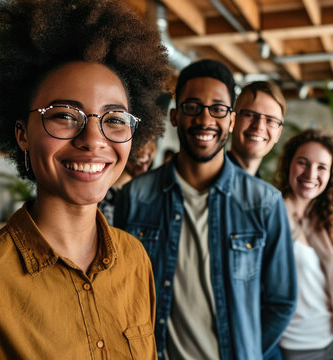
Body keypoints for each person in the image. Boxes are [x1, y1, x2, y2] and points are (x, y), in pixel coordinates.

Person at [0, 0, 170, 358]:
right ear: (21, 134)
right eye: (64, 115)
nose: (93, 139)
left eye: (114, 119)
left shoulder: (135, 260)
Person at [114, 59, 297, 360]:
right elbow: (121, 295)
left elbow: (282, 302)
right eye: (192, 106)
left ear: (232, 120)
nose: (205, 119)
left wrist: (247, 351)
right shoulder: (135, 197)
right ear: (174, 116)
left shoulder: (265, 203)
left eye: (218, 109)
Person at [274, 129, 333, 360]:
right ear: (288, 165)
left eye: (322, 167)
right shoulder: (273, 214)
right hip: (297, 345)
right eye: (303, 163)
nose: (311, 174)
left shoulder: (322, 218)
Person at [227, 81, 286, 177]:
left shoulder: (265, 190)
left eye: (270, 120)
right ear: (232, 120)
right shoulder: (206, 178)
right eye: (250, 115)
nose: (259, 126)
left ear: (278, 133)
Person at [98, 138, 157, 224]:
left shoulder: (137, 192)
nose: (145, 169)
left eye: (148, 163)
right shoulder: (105, 192)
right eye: (140, 162)